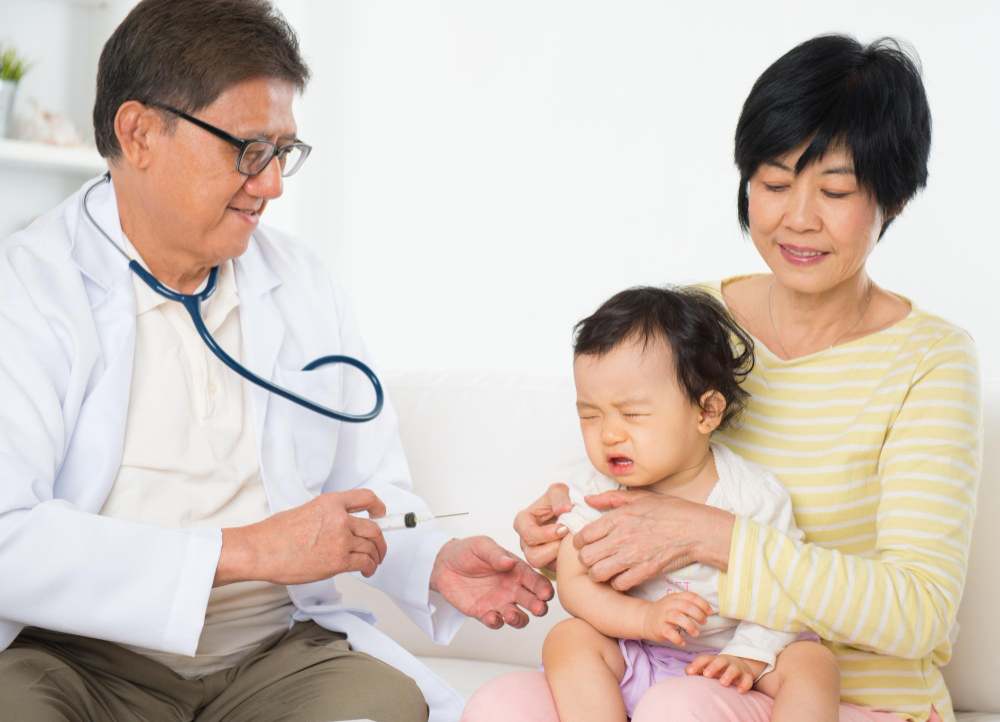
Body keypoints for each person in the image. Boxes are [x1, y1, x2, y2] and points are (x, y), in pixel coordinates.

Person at [0, 2, 552, 721]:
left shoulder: (301, 284)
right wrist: (245, 552)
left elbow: (370, 490)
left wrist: (434, 563)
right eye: (247, 149)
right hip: (78, 657)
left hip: (271, 655)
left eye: (283, 151)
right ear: (139, 133)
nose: (272, 185)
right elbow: (8, 535)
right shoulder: (27, 288)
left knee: (381, 708)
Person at [466, 34, 981, 722]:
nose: (797, 217)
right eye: (772, 183)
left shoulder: (930, 362)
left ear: (895, 199)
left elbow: (920, 614)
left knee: (680, 712)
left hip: (829, 694)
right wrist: (560, 549)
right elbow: (626, 485)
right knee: (503, 705)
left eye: (835, 190)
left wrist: (709, 533)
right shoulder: (683, 325)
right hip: (660, 663)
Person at [542, 286, 840, 722]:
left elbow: (787, 591)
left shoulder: (752, 494)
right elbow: (575, 582)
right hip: (638, 649)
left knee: (814, 665)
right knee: (566, 639)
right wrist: (644, 619)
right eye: (590, 414)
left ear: (706, 412)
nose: (609, 434)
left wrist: (749, 657)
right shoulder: (594, 490)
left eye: (634, 415)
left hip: (735, 659)